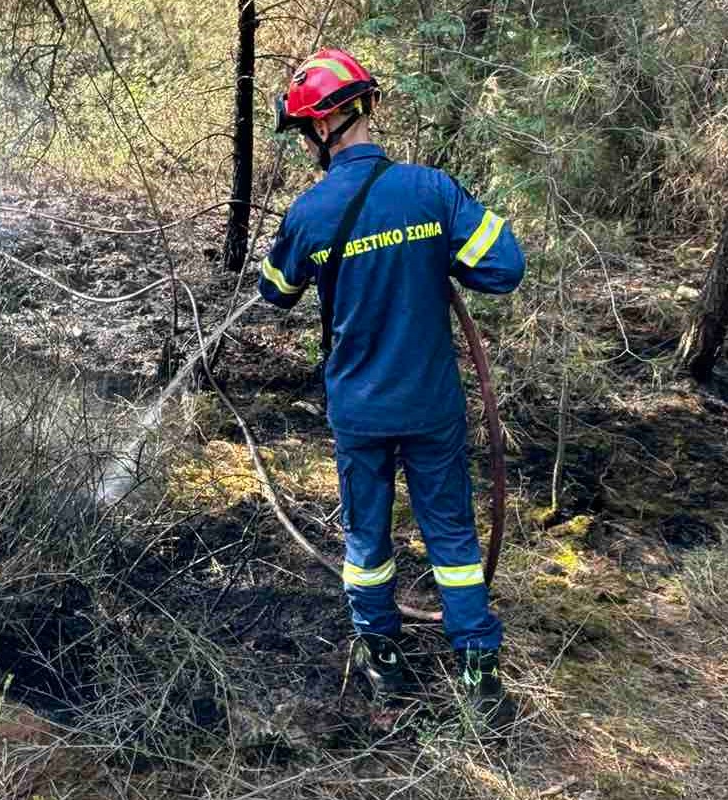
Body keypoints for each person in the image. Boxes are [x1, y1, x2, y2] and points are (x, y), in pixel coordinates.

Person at [258, 49, 525, 727]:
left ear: (320, 130)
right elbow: (504, 267)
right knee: (454, 540)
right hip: (431, 403)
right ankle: (479, 675)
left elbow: (274, 293)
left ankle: (383, 660)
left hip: (359, 409)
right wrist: (433, 254)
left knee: (367, 540)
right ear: (367, 107)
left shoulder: (310, 212)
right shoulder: (432, 191)